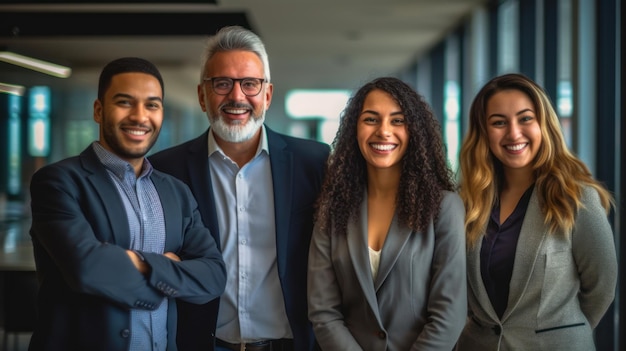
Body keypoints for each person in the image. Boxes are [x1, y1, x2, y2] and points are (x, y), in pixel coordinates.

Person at [149, 26, 330, 351]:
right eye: (222, 83)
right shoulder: (166, 170)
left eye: (250, 84)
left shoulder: (314, 163)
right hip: (200, 343)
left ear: (267, 95)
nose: (236, 96)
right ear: (202, 95)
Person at [28, 57, 227, 351]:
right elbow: (88, 268)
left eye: (152, 105)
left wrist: (140, 263)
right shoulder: (59, 182)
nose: (139, 116)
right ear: (99, 110)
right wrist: (169, 271)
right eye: (125, 102)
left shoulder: (176, 192)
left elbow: (213, 276)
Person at [455, 73, 618, 351]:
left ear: (544, 123)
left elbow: (601, 289)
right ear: (484, 131)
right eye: (498, 122)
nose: (513, 133)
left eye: (525, 118)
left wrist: (560, 332)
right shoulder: (466, 203)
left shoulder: (576, 198)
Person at [307, 77, 467, 351]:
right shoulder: (332, 209)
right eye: (371, 119)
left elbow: (449, 314)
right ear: (354, 129)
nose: (383, 131)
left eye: (397, 120)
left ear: (414, 130)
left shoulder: (444, 208)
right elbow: (324, 312)